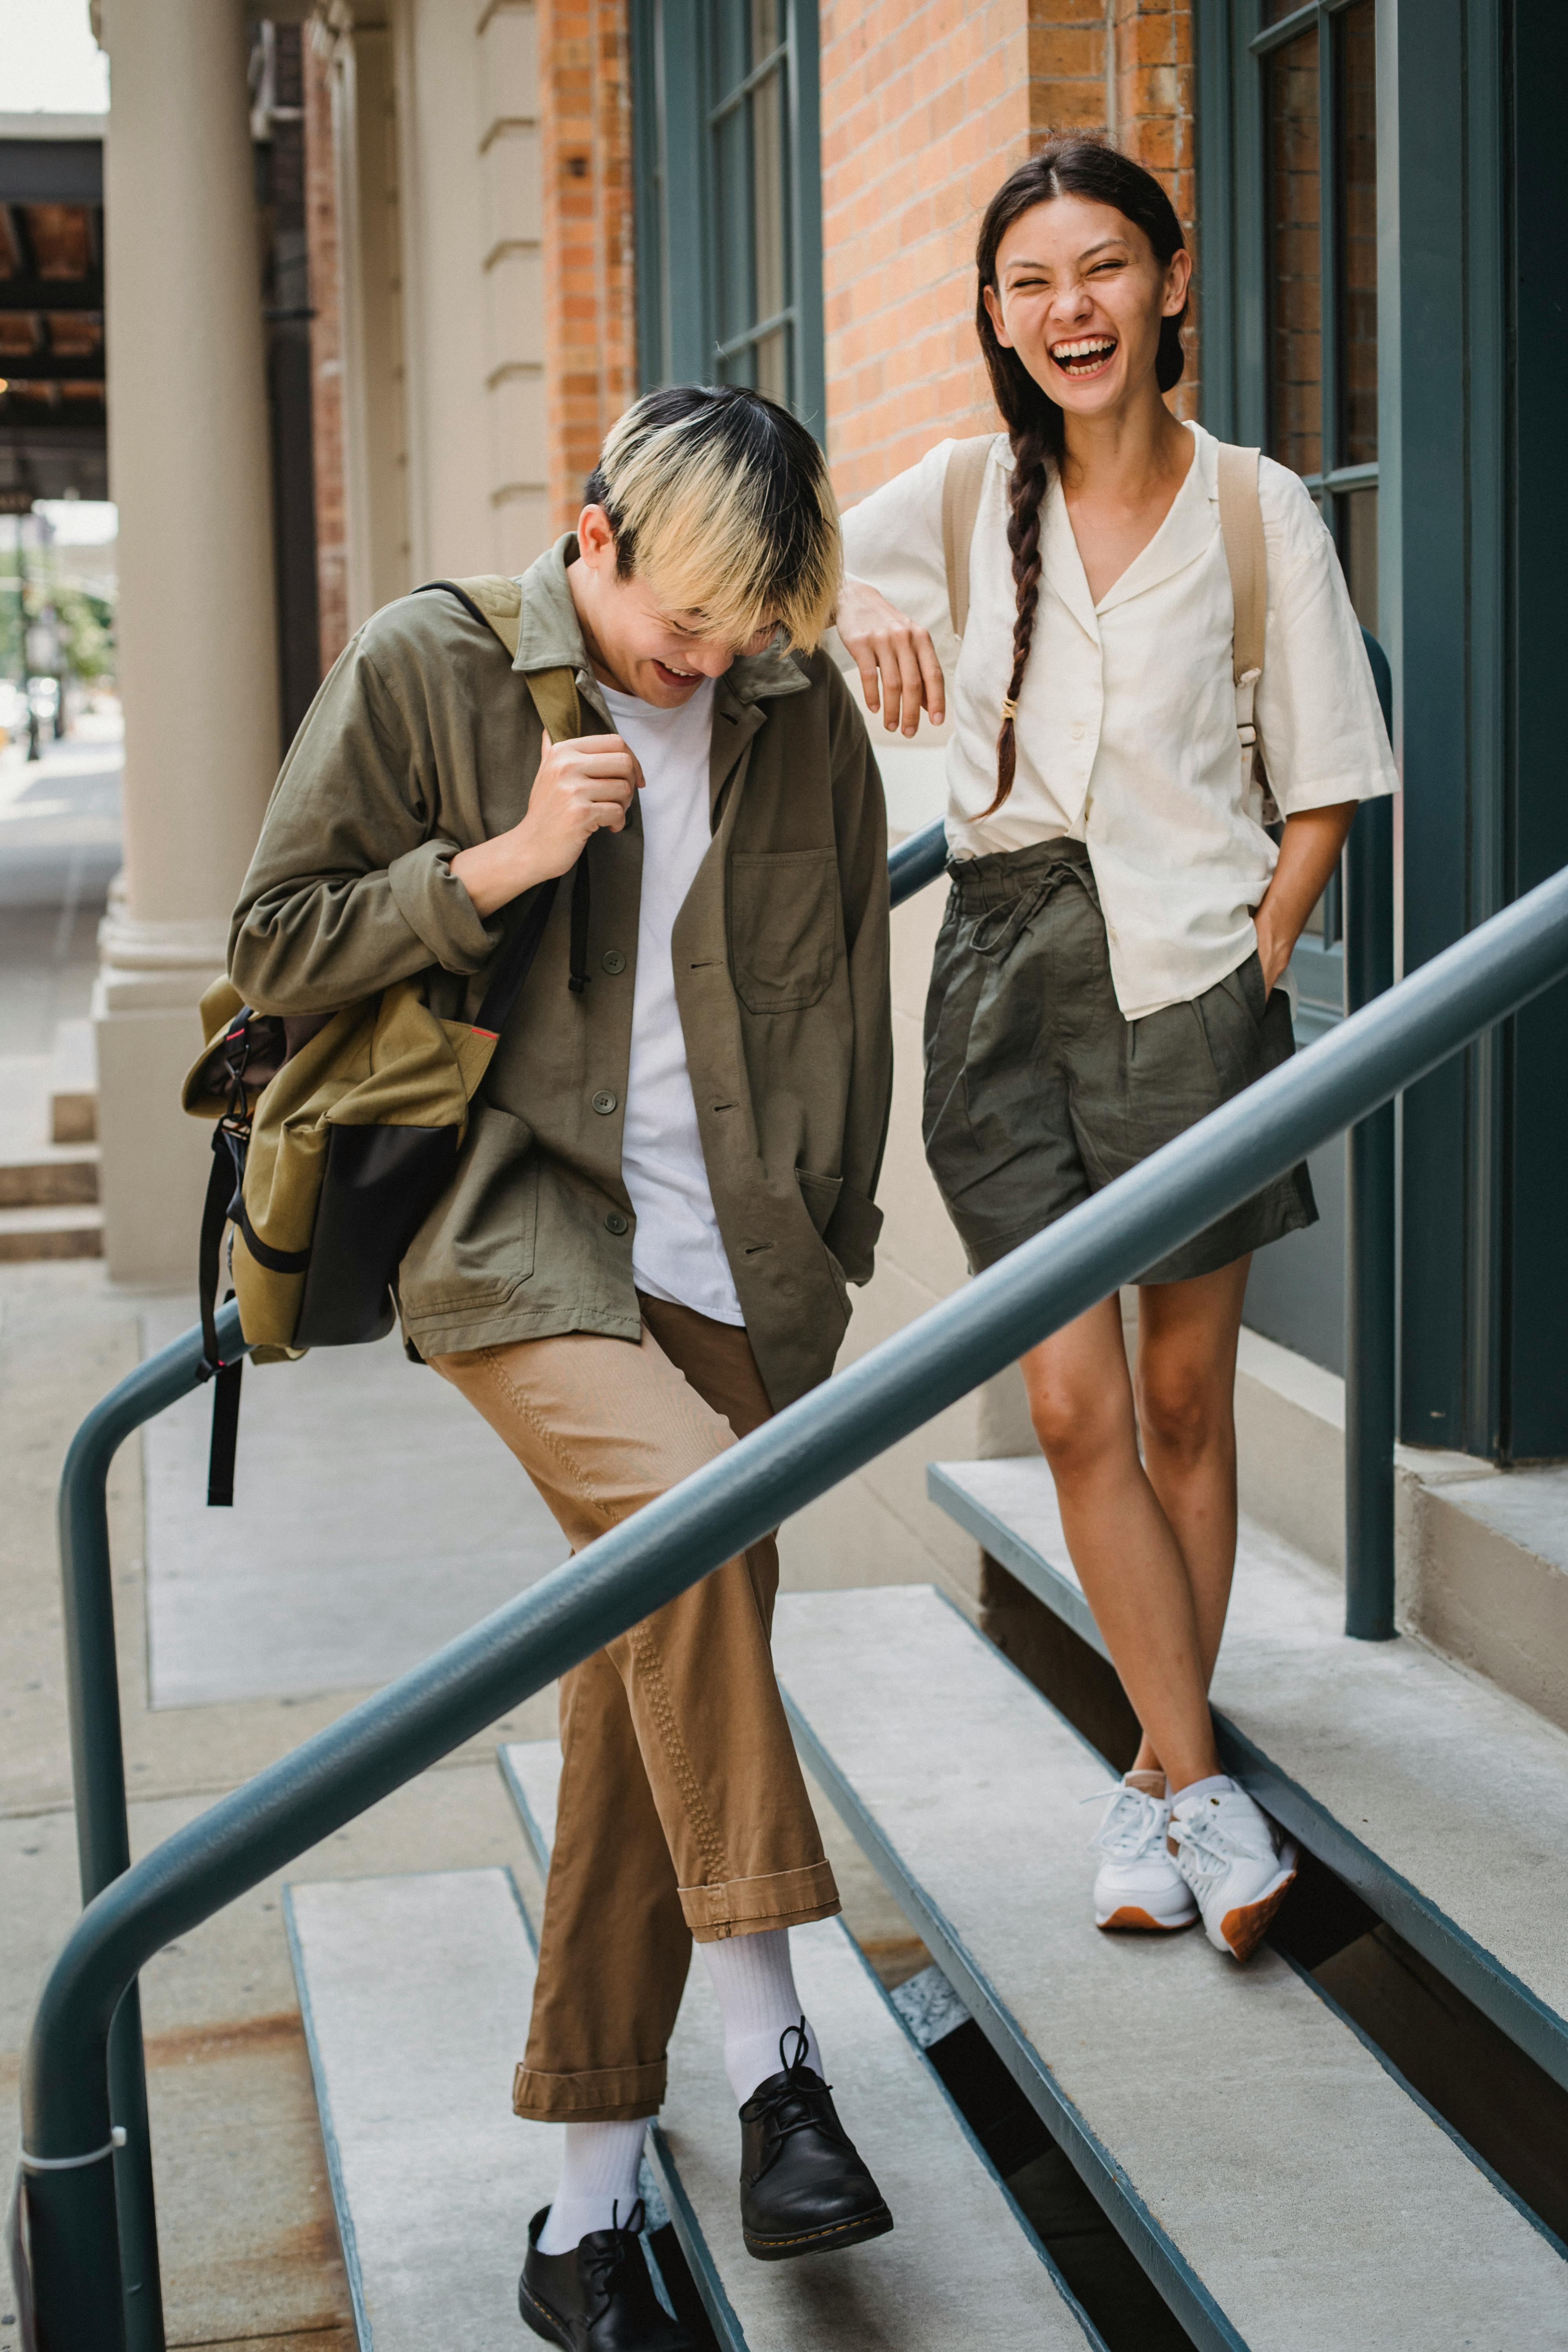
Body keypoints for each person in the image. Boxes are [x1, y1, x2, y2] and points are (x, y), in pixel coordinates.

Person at [229, 385, 895, 2350]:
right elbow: (275, 944)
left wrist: (827, 1242)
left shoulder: (794, 711)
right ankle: (783, 2064)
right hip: (517, 1235)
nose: (709, 662)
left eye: (748, 632)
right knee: (693, 1545)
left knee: (647, 1677)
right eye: (683, 622)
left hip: (738, 1271)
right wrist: (500, 862)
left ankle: (584, 2222)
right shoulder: (432, 661)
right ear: (589, 532)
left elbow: (846, 976)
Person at [834, 140, 1397, 1965]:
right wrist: (860, 610)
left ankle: (1163, 1788)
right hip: (998, 984)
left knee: (1177, 1402)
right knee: (1072, 1405)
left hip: (1186, 983)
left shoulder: (1255, 508)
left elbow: (1320, 780)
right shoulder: (951, 489)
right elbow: (796, 570)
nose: (1065, 308)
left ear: (1167, 279)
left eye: (1097, 269)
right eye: (1027, 283)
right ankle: (1188, 1774)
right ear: (995, 318)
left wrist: (1257, 949)